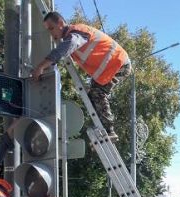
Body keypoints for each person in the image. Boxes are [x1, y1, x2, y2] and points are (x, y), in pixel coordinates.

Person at [32, 11, 132, 141]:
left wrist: (41, 66)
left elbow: (68, 46)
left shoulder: (76, 33)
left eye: (52, 28)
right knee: (92, 95)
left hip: (118, 63)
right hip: (111, 66)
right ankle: (103, 127)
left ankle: (109, 130)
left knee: (97, 93)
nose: (51, 33)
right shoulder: (72, 36)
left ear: (61, 24)